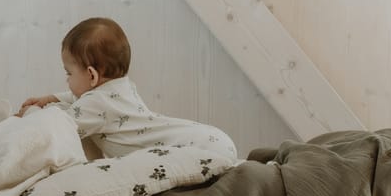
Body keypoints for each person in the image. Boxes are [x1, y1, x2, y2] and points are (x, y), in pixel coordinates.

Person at [19, 17, 238, 160]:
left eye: (69, 73)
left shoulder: (97, 104)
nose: (67, 81)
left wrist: (32, 114)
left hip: (192, 148)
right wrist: (49, 97)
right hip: (208, 138)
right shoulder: (121, 88)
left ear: (92, 75)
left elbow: (59, 127)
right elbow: (78, 97)